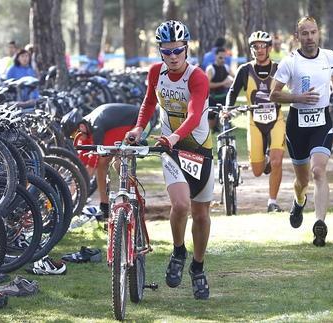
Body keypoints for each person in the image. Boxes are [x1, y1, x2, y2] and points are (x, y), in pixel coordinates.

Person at [124, 20, 212, 300]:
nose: (172, 57)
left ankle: (197, 267)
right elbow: (149, 102)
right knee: (181, 204)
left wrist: (175, 137)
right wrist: (140, 127)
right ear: (160, 52)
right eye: (166, 51)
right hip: (169, 147)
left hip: (199, 147)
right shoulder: (155, 72)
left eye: (177, 50)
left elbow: (194, 115)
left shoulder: (197, 77)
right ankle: (178, 250)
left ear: (186, 49)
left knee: (200, 214)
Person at [270, 17, 333, 247]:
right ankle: (299, 200)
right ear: (297, 36)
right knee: (302, 180)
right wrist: (298, 97)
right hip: (296, 125)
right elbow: (274, 94)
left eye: (313, 32)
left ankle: (319, 224)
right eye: (305, 33)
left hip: (322, 120)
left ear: (319, 33)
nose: (310, 37)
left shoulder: (329, 57)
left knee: (318, 171)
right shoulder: (290, 62)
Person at [226, 30, 286, 213]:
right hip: (255, 122)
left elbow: (289, 90)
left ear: (269, 48)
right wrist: (228, 109)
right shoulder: (244, 70)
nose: (259, 50)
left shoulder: (279, 69)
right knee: (258, 170)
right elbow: (232, 92)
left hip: (276, 119)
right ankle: (265, 158)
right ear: (251, 49)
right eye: (255, 46)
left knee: (277, 162)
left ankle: (272, 202)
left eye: (262, 46)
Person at [62, 103, 152, 219]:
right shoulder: (84, 132)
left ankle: (135, 200)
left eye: (74, 134)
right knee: (103, 164)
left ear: (81, 127)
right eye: (71, 137)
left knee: (117, 163)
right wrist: (72, 186)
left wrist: (74, 195)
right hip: (120, 129)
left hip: (139, 123)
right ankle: (104, 205)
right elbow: (81, 164)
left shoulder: (96, 128)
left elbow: (90, 167)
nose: (74, 138)